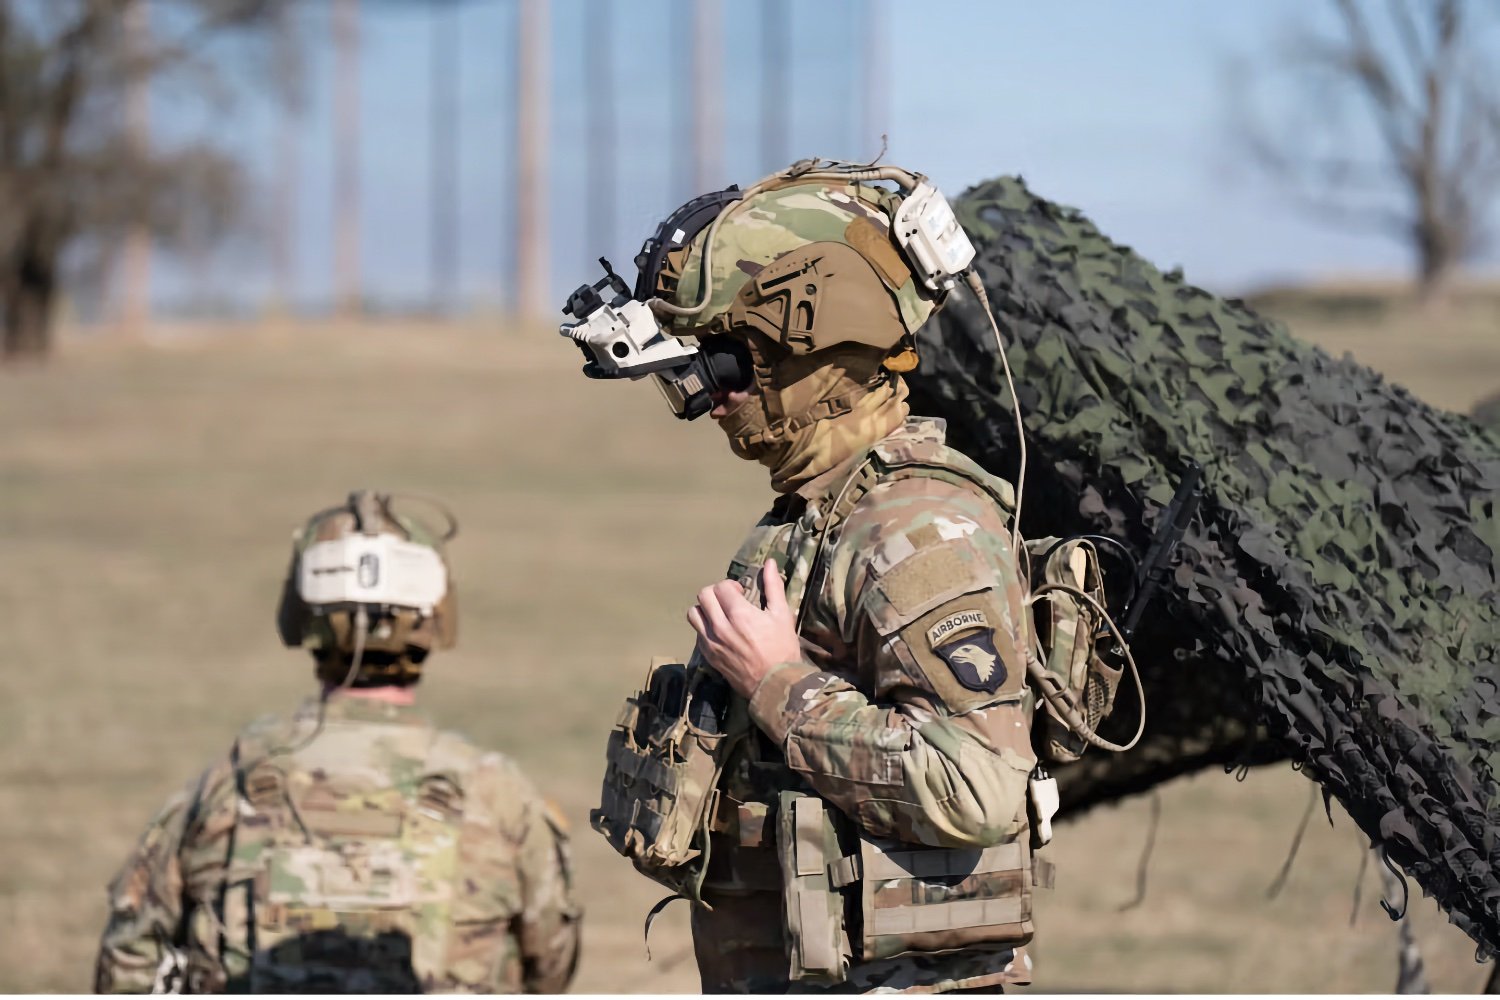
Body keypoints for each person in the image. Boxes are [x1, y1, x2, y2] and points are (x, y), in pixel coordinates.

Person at [574, 159, 1093, 993]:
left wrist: (780, 684)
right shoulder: (826, 513)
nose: (710, 402)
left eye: (725, 370)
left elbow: (976, 785)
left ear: (812, 343)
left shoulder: (916, 533)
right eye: (689, 381)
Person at [94, 491, 580, 994]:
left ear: (302, 612)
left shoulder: (224, 787)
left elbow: (128, 961)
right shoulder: (500, 797)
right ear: (437, 615)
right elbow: (550, 968)